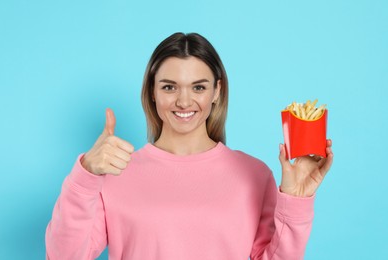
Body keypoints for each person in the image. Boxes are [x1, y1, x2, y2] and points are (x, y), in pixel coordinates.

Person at [45, 32, 334, 260]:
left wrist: (295, 201)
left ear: (217, 91)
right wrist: (85, 176)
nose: (184, 102)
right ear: (152, 92)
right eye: (169, 87)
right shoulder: (115, 172)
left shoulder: (254, 174)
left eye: (198, 87)